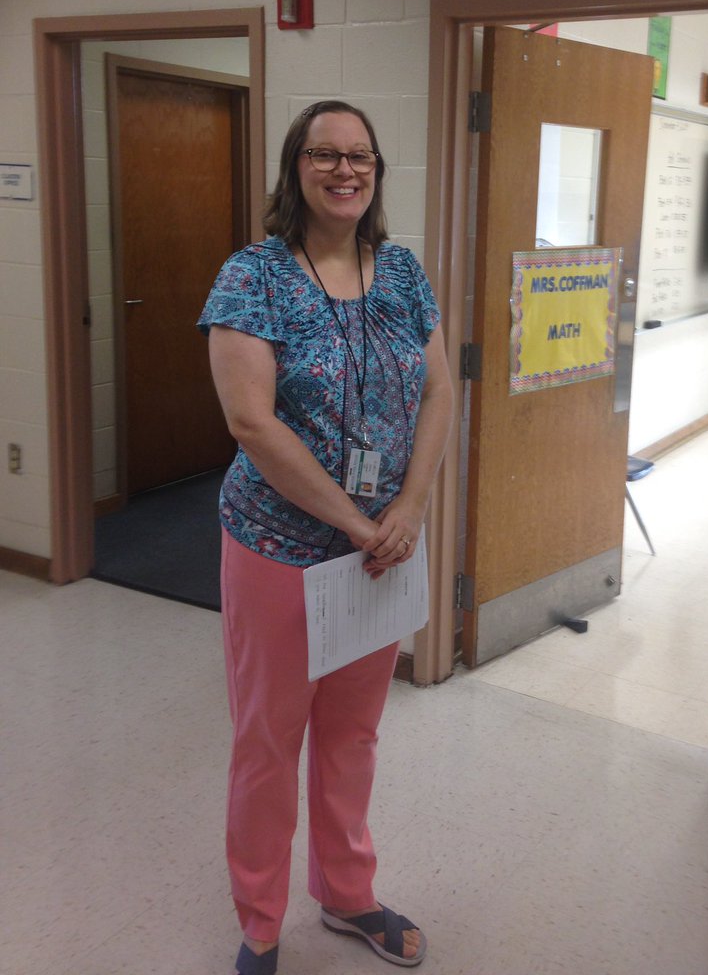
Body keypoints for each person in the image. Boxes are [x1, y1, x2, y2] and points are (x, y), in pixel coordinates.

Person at [198, 100, 454, 975]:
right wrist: (356, 524)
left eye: (361, 157)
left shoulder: (405, 271)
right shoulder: (254, 275)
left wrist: (411, 506)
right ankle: (261, 920)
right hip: (279, 548)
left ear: (377, 172)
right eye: (325, 155)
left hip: (380, 550)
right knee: (268, 739)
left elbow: (440, 391)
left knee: (354, 735)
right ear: (295, 169)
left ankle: (346, 894)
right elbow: (250, 422)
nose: (345, 170)